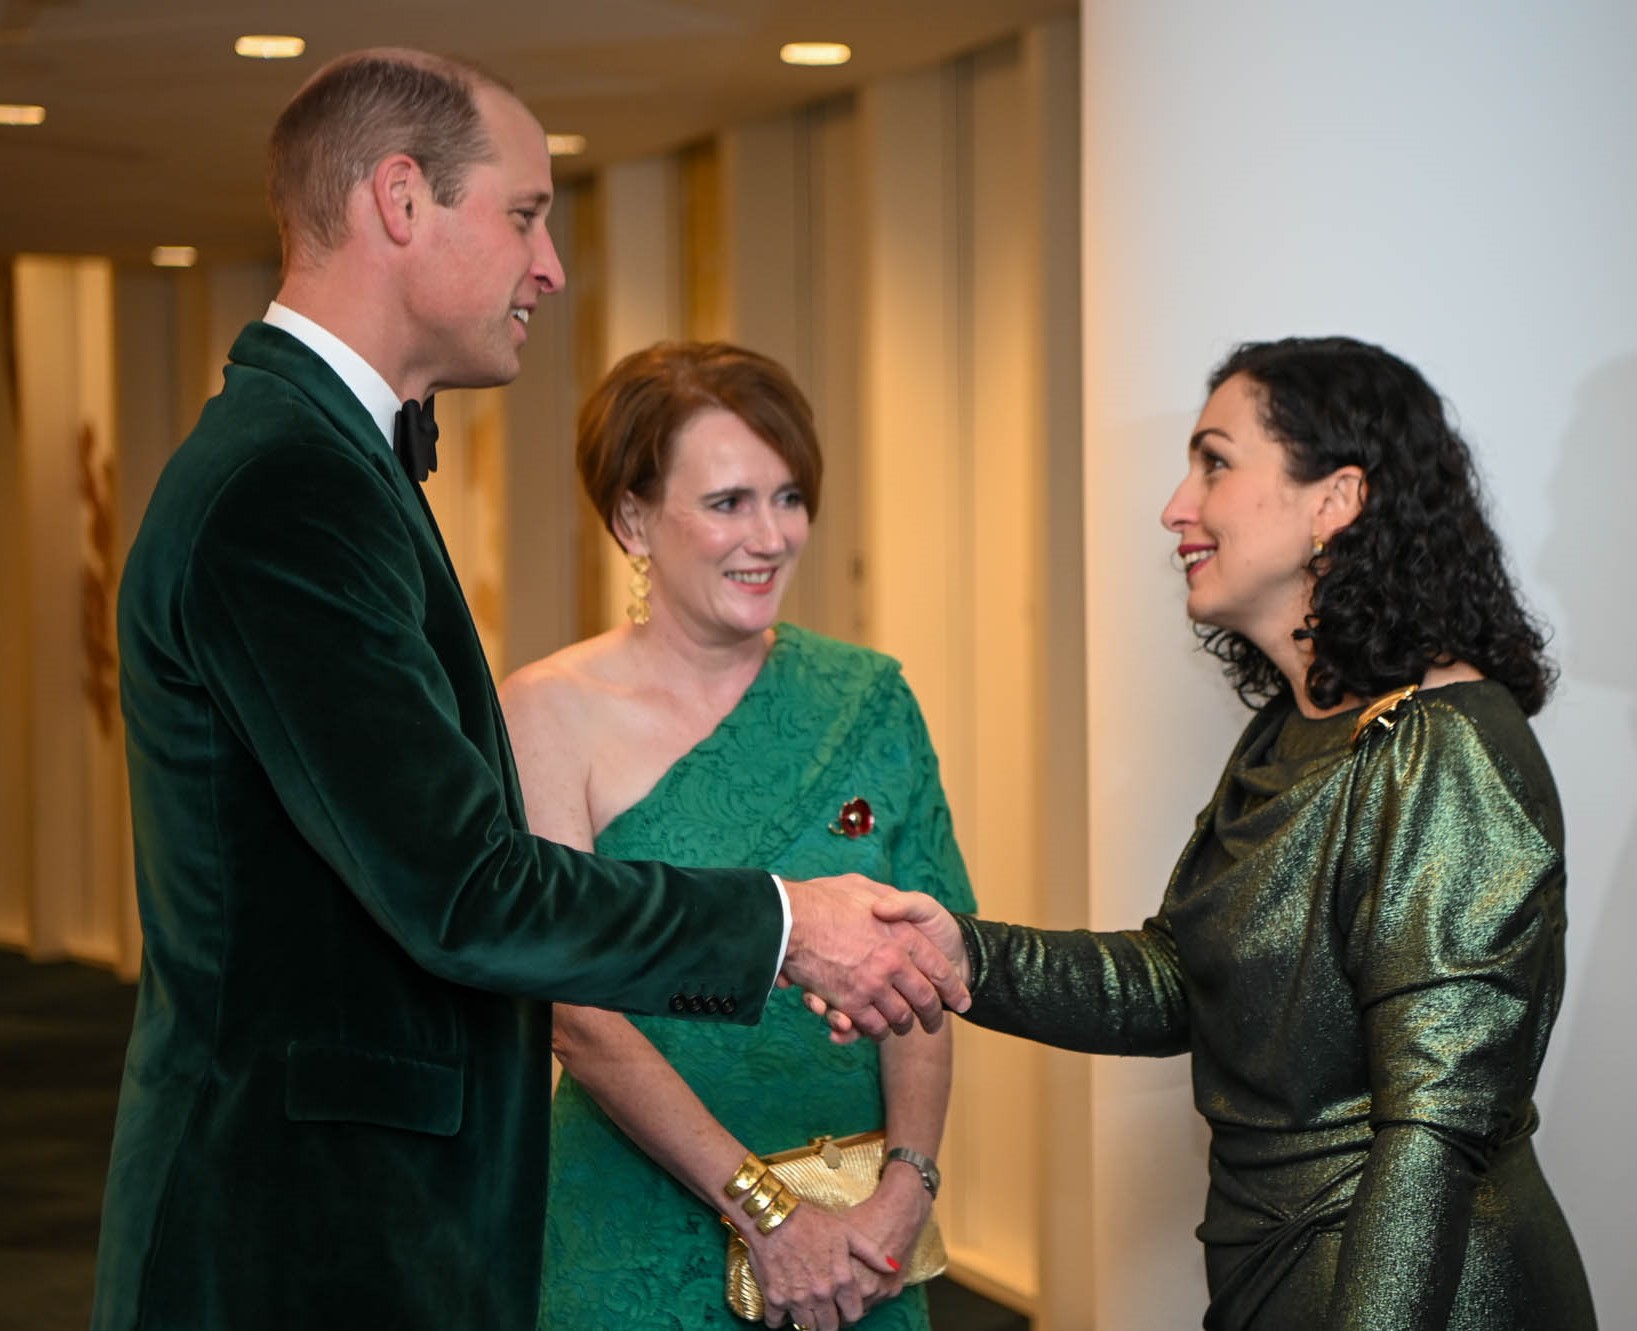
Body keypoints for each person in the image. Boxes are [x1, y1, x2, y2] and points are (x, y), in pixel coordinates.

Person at [91, 50, 965, 1331]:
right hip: (298, 1235)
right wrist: (787, 923)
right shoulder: (288, 486)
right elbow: (463, 889)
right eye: (524, 213)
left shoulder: (326, 465)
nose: (549, 267)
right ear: (400, 200)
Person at [856, 337, 1598, 1329]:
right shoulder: (1294, 727)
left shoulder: (1443, 744)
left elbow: (1432, 1125)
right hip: (1277, 1280)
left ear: (1332, 499)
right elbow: (1178, 978)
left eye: (1214, 460)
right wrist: (960, 952)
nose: (1174, 506)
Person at [499, 341, 974, 1331]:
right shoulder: (548, 712)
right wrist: (763, 1208)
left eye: (788, 495)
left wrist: (906, 1182)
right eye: (727, 502)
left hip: (859, 1241)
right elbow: (571, 1005)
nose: (770, 535)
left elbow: (929, 962)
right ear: (633, 518)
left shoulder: (868, 699)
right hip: (636, 1231)